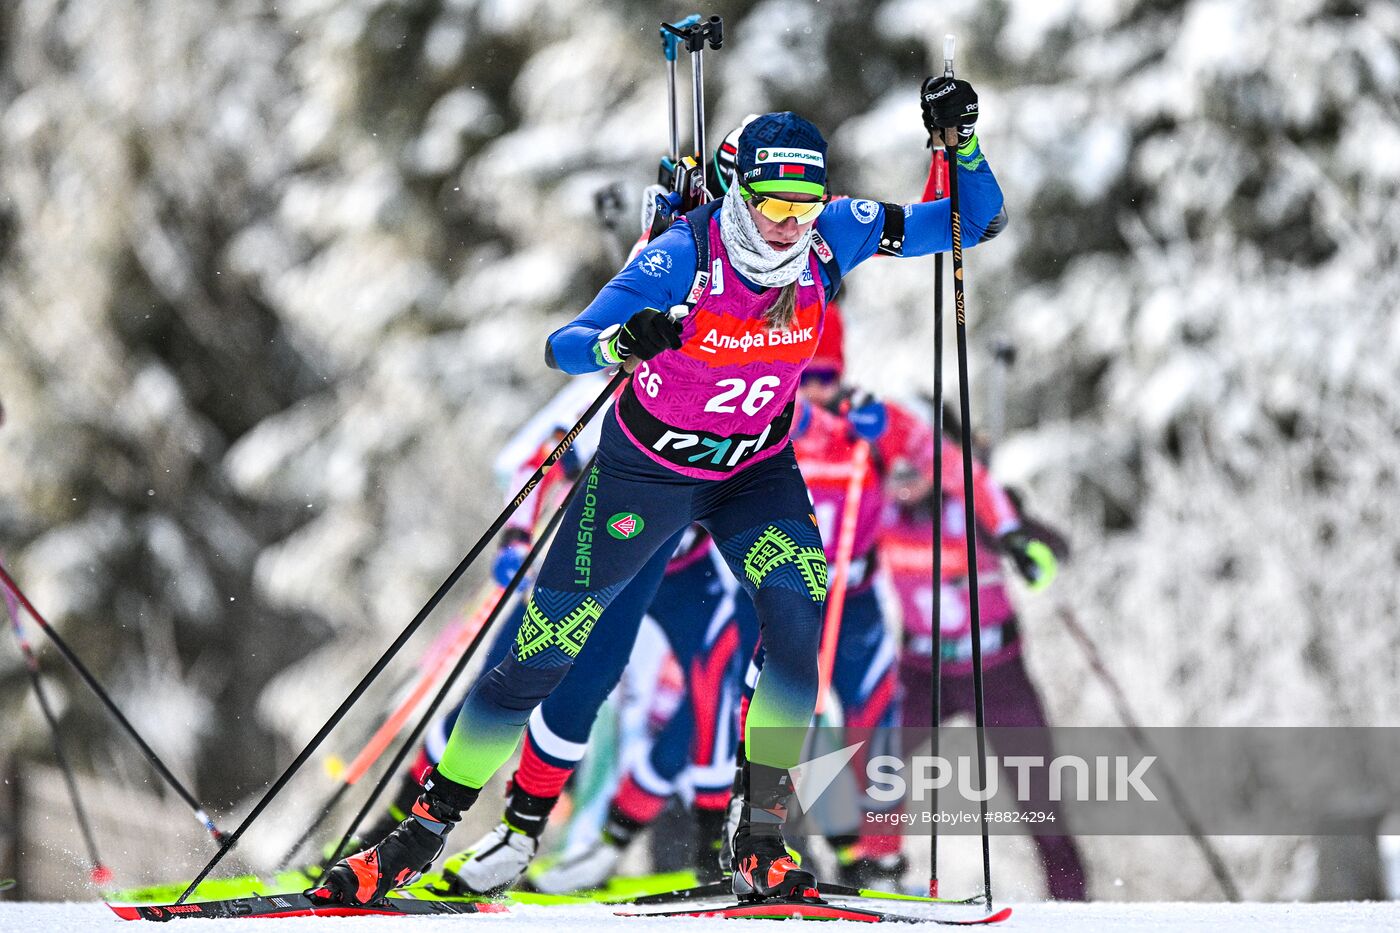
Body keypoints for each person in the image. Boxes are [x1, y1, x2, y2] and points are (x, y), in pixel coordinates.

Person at [315, 75, 1006, 906]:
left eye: (806, 202)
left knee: (797, 618)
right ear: (737, 194)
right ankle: (421, 831)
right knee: (544, 652)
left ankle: (759, 837)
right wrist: (620, 340)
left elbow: (974, 220)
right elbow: (563, 346)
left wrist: (959, 142)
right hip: (650, 474)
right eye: (773, 204)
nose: (791, 223)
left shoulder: (834, 237)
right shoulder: (684, 256)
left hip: (754, 472)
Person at [883, 409, 1088, 900]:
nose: (904, 484)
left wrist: (1017, 523)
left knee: (1040, 801)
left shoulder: (974, 506)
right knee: (867, 766)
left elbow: (1052, 554)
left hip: (994, 671)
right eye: (895, 473)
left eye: (914, 472)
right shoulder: (881, 512)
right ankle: (872, 879)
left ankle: (1074, 910)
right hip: (921, 673)